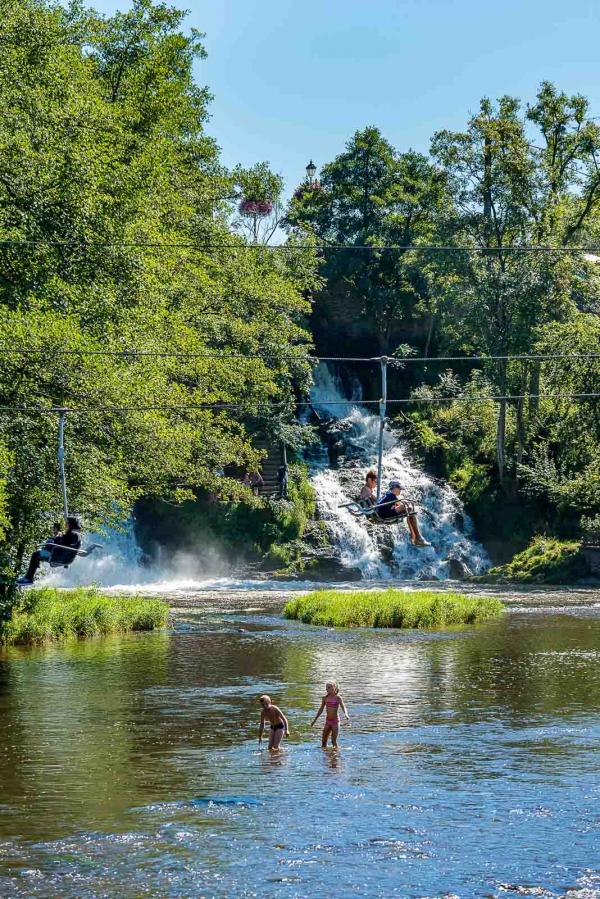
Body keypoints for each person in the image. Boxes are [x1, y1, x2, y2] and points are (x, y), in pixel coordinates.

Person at [17, 516, 82, 585]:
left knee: (36, 554)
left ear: (70, 525)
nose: (65, 525)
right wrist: (61, 536)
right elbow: (65, 542)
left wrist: (59, 537)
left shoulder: (73, 535)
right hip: (62, 555)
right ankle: (29, 576)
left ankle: (29, 578)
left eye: (66, 523)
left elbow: (62, 543)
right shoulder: (74, 535)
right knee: (43, 549)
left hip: (59, 556)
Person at [376, 480, 431, 547]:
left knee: (409, 511)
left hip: (381, 512)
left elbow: (396, 504)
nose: (400, 490)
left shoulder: (388, 494)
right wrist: (404, 503)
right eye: (399, 488)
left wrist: (402, 504)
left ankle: (415, 538)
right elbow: (401, 504)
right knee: (409, 509)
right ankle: (417, 538)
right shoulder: (391, 495)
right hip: (384, 514)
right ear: (394, 487)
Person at [311, 682, 349, 749]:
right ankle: (325, 755)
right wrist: (314, 720)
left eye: (329, 687)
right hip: (328, 721)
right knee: (323, 741)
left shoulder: (338, 698)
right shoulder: (325, 698)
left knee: (333, 741)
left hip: (335, 722)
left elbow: (343, 706)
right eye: (326, 688)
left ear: (334, 688)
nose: (327, 689)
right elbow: (321, 710)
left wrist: (346, 714)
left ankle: (335, 755)